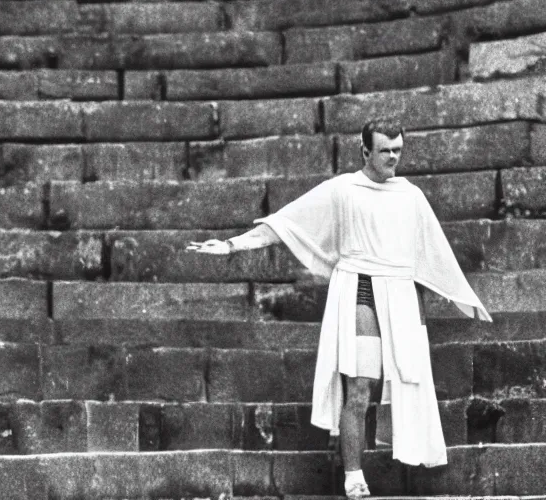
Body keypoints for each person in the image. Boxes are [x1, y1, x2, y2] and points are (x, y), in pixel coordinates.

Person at [186, 119, 491, 499]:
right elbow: (286, 223)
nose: (393, 156)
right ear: (365, 151)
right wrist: (233, 246)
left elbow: (434, 254)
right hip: (360, 289)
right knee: (360, 387)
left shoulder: (410, 195)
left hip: (400, 295)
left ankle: (389, 458)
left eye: (397, 149)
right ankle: (353, 475)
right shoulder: (342, 189)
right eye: (385, 150)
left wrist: (463, 298)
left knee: (402, 381)